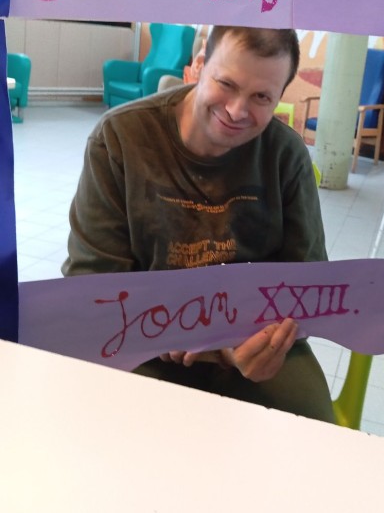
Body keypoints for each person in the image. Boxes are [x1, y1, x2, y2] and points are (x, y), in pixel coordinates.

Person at [62, 25, 336, 423]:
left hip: (254, 341)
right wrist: (170, 327)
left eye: (261, 97)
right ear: (199, 66)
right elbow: (91, 283)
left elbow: (308, 283)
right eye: (226, 84)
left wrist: (234, 340)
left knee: (313, 432)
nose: (237, 111)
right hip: (140, 338)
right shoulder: (120, 138)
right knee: (113, 428)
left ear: (280, 96)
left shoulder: (286, 155)